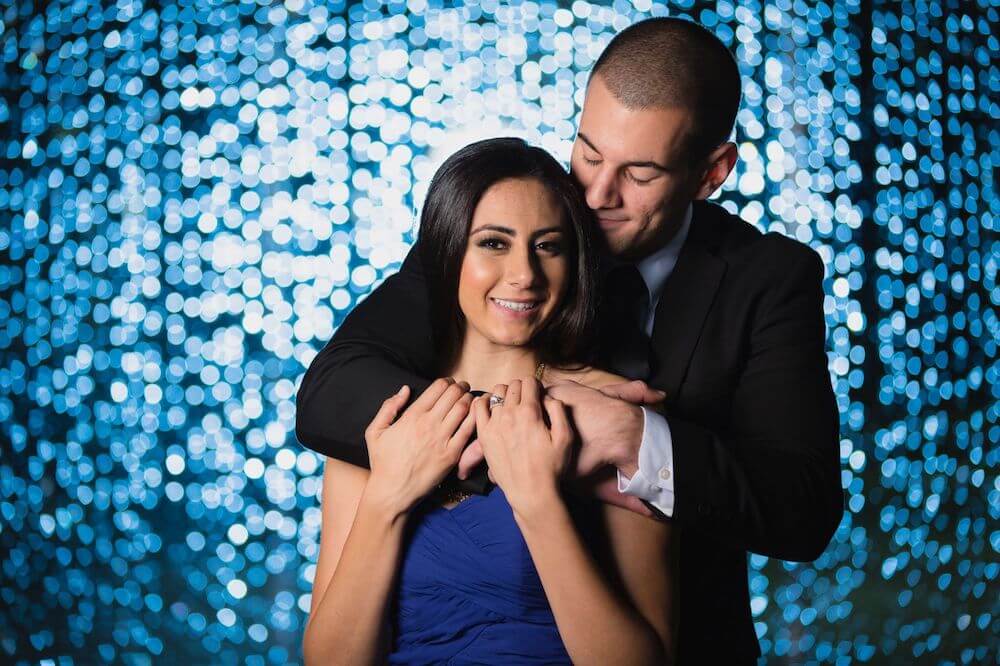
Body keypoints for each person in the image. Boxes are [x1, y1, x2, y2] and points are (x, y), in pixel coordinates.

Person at [297, 17, 843, 663]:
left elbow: (802, 509)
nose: (595, 194)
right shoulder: (503, 214)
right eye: (588, 151)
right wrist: (526, 408)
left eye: (639, 173)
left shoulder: (769, 279)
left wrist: (634, 438)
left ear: (710, 171)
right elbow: (329, 392)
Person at [302, 138, 677, 664]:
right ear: (448, 250)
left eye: (548, 246)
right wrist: (388, 495)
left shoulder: (610, 412)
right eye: (494, 244)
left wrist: (537, 501)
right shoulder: (386, 411)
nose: (524, 274)